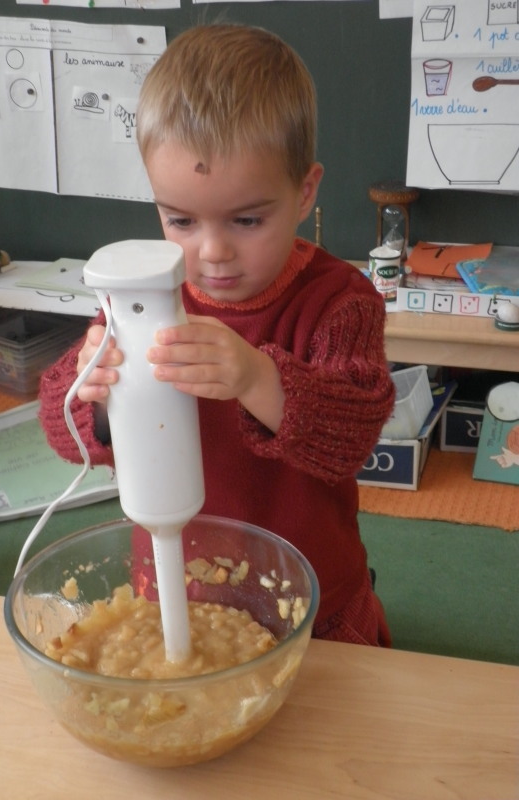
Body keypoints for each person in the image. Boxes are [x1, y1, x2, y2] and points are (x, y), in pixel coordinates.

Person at [38, 23, 396, 646]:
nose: (213, 252)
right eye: (180, 219)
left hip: (314, 598)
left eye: (247, 219)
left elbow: (353, 439)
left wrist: (258, 376)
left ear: (305, 190)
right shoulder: (142, 298)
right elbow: (63, 430)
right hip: (176, 587)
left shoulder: (340, 302)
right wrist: (88, 387)